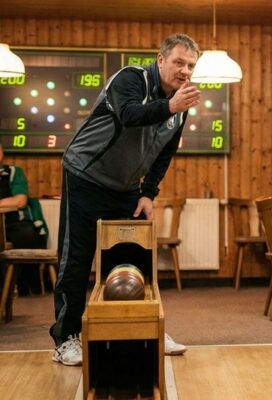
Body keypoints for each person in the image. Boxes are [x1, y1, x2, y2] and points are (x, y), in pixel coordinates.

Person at [50, 33, 201, 366]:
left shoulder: (179, 103)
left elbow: (165, 153)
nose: (185, 71)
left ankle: (148, 330)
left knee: (136, 260)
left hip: (127, 188)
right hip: (85, 176)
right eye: (179, 62)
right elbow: (130, 114)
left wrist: (148, 193)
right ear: (160, 60)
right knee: (77, 259)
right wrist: (171, 106)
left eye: (191, 65)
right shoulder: (131, 78)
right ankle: (65, 339)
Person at [0, 144, 47, 296]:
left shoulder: (14, 172)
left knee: (27, 235)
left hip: (14, 222)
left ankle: (27, 287)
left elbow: (20, 201)